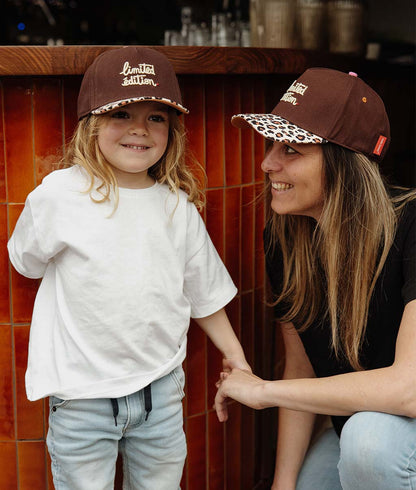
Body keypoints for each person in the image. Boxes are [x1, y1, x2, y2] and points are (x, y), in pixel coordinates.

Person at [7, 46, 250, 490]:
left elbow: (205, 294)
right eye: (121, 114)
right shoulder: (59, 194)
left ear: (171, 131)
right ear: (91, 124)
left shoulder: (177, 207)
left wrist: (235, 356)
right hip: (81, 398)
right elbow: (26, 261)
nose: (140, 129)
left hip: (160, 393)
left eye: (156, 117)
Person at [214, 68, 416, 490]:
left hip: (387, 435)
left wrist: (263, 392)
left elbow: (408, 390)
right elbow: (301, 368)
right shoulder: (286, 238)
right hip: (361, 430)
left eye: (290, 148)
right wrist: (281, 484)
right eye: (272, 145)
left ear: (345, 164)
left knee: (367, 444)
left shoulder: (411, 226)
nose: (268, 163)